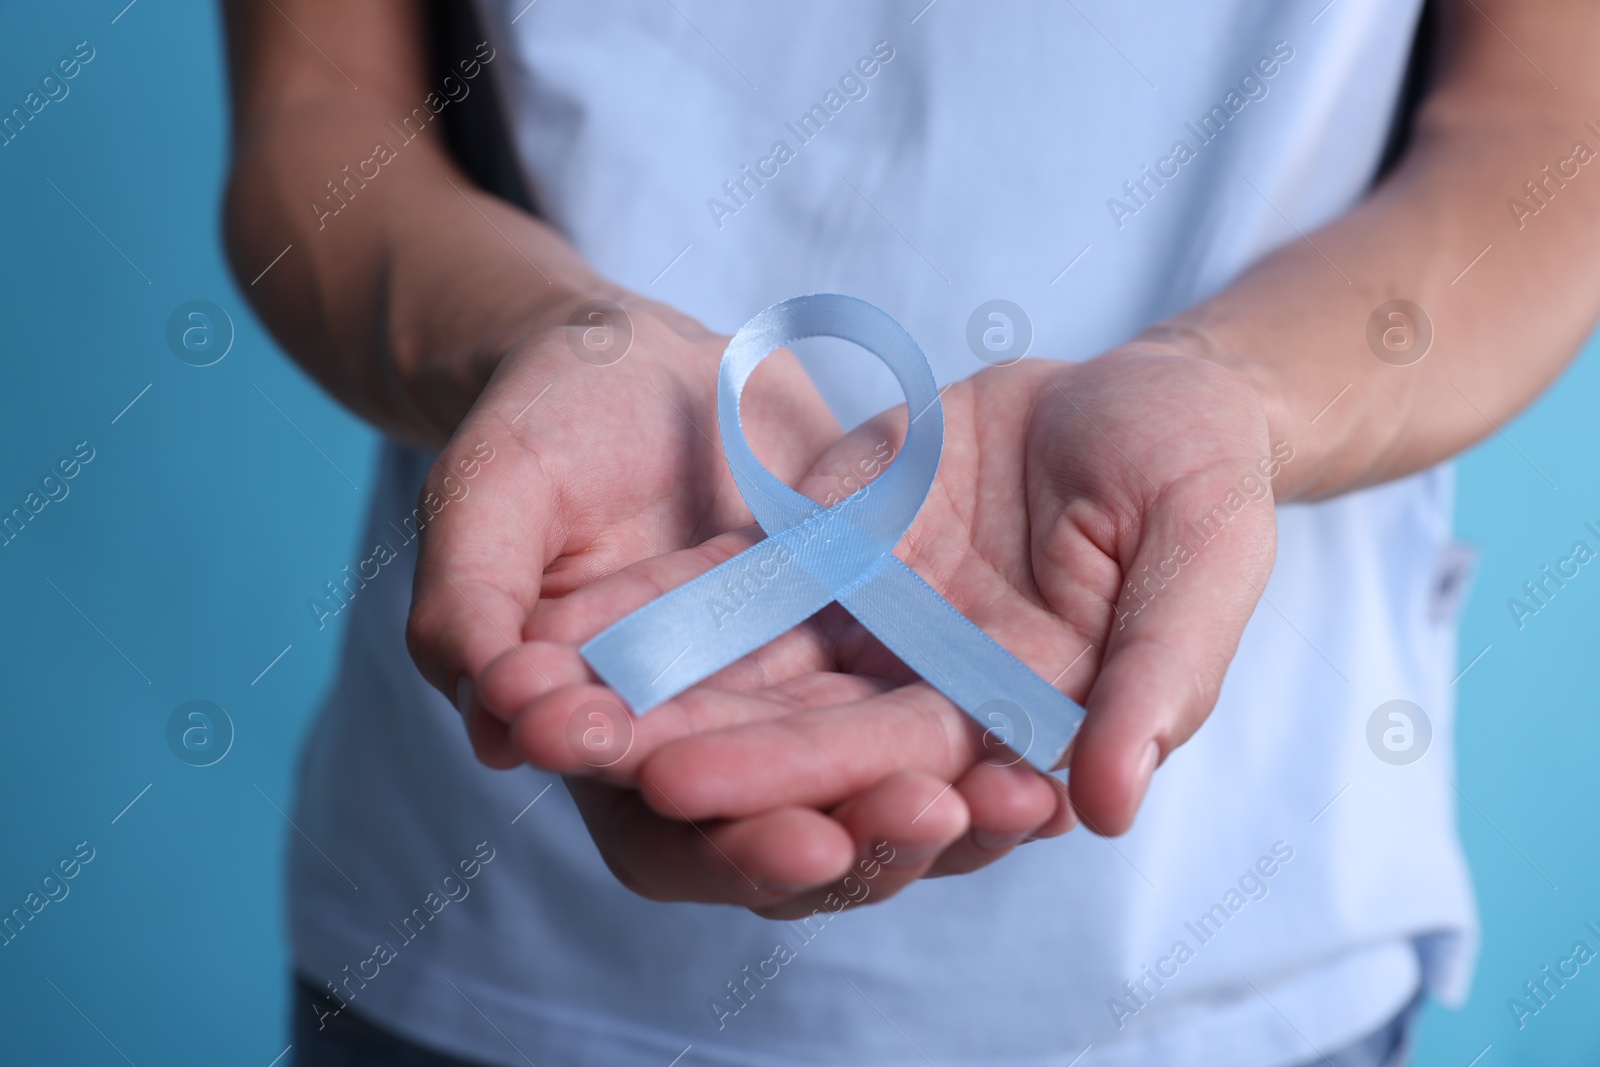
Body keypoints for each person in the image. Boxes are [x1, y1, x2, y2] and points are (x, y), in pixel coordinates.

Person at [221, 1, 1600, 1064]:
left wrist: (1225, 390)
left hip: (1236, 940)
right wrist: (540, 334)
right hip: (487, 926)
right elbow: (321, 115)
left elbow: (1547, 136)